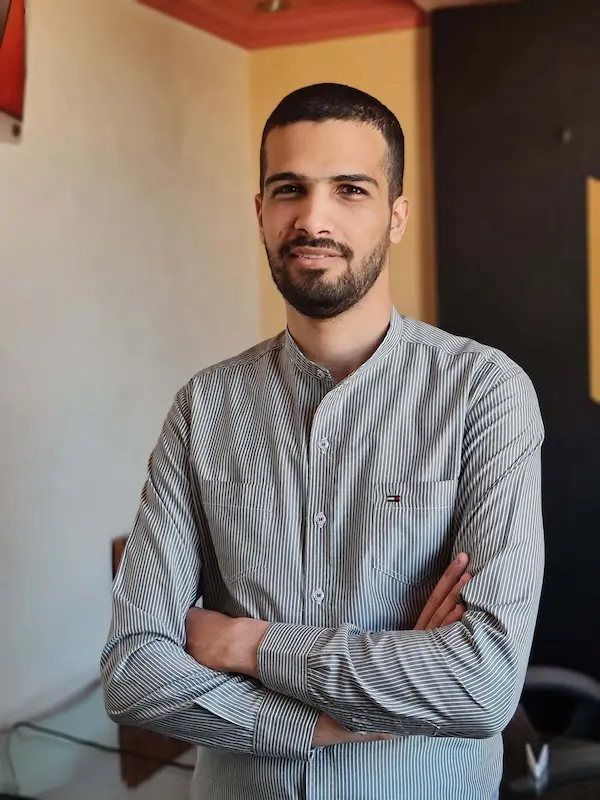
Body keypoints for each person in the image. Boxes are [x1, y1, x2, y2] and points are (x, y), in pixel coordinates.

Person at [100, 83, 545, 800]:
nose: (313, 217)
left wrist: (245, 645)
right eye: (289, 190)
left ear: (396, 215)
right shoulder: (204, 407)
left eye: (350, 189)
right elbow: (132, 674)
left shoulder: (484, 394)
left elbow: (481, 683)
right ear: (260, 212)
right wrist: (324, 723)